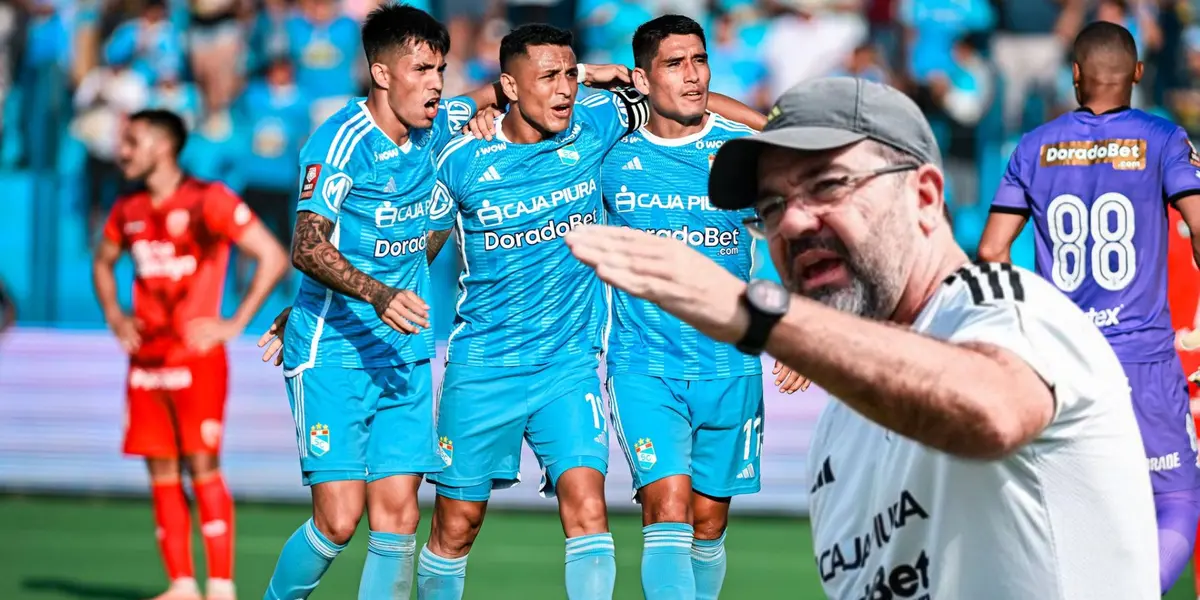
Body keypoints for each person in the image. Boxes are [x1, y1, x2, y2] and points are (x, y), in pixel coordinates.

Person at [566, 76, 1160, 598]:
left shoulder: (1011, 308)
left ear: (925, 197)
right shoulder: (841, 430)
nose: (794, 221)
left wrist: (759, 317)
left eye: (827, 186)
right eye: (771, 206)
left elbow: (995, 409)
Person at [419, 22, 761, 600]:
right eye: (548, 77)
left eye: (569, 76)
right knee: (456, 525)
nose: (564, 90)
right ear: (510, 86)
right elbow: (417, 230)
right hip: (483, 366)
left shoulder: (596, 126)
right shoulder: (461, 151)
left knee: (594, 512)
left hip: (571, 365)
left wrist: (771, 126)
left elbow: (679, 97)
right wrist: (351, 296)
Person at [257, 5, 504, 599]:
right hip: (334, 352)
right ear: (382, 73)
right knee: (338, 520)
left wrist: (597, 73)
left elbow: (502, 87)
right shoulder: (341, 141)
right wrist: (376, 293)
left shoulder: (441, 123)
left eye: (440, 68)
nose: (437, 83)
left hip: (404, 353)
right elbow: (306, 244)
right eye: (421, 69)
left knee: (398, 517)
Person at [978, 21, 1200, 593]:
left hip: (1066, 360)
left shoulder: (1033, 145)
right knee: (1176, 499)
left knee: (1067, 509)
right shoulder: (1163, 139)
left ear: (1074, 76)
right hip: (1144, 357)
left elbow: (991, 250)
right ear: (1140, 74)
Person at [601, 15, 802, 600]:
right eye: (674, 63)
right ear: (641, 77)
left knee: (709, 522)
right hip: (643, 366)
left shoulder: (743, 155)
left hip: (729, 367)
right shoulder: (608, 153)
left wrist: (796, 328)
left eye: (699, 60)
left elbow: (799, 239)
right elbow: (541, 96)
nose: (692, 76)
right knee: (666, 508)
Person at [92, 108, 289, 600]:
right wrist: (116, 315)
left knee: (202, 466)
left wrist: (234, 323)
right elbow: (103, 262)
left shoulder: (208, 200)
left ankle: (220, 587)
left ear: (161, 146)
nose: (122, 151)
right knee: (159, 468)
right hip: (146, 362)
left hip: (195, 360)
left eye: (131, 141)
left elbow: (271, 255)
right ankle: (182, 585)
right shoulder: (128, 208)